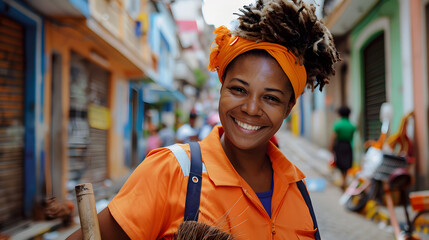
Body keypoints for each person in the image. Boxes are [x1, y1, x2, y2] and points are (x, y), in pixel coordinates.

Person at [67, 0, 340, 239]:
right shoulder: (171, 172)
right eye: (238, 90)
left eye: (271, 98)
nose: (251, 108)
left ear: (289, 106)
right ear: (221, 88)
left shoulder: (298, 188)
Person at [329, 106, 356, 191]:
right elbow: (351, 138)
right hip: (348, 146)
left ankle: (343, 182)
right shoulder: (352, 126)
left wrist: (331, 147)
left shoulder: (338, 125)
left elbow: (333, 137)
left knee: (340, 163)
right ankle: (344, 181)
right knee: (347, 163)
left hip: (339, 145)